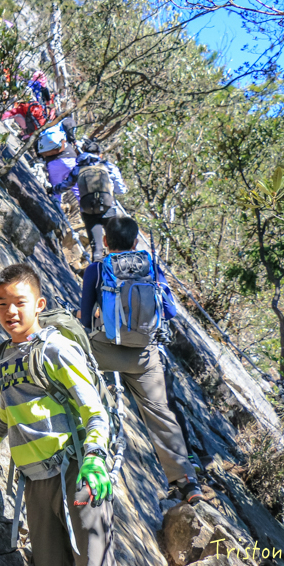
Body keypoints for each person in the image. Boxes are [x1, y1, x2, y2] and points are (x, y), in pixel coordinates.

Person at [0, 264, 118, 566]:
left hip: (77, 473)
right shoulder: (2, 358)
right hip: (36, 484)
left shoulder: (57, 350)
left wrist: (95, 457)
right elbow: (7, 414)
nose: (10, 311)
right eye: (2, 303)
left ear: (39, 305)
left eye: (19, 302)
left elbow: (94, 410)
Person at [79, 216, 204, 505]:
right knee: (161, 413)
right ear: (136, 242)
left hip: (105, 350)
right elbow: (170, 311)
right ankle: (187, 482)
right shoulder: (152, 269)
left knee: (73, 356)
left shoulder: (97, 270)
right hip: (145, 356)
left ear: (105, 242)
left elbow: (85, 319)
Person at [49, 139, 126, 262]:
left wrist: (53, 190)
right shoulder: (108, 166)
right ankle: (118, 273)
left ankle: (97, 273)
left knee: (97, 248)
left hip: (88, 210)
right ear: (99, 154)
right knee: (115, 245)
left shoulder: (78, 168)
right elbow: (121, 190)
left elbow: (66, 185)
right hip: (108, 208)